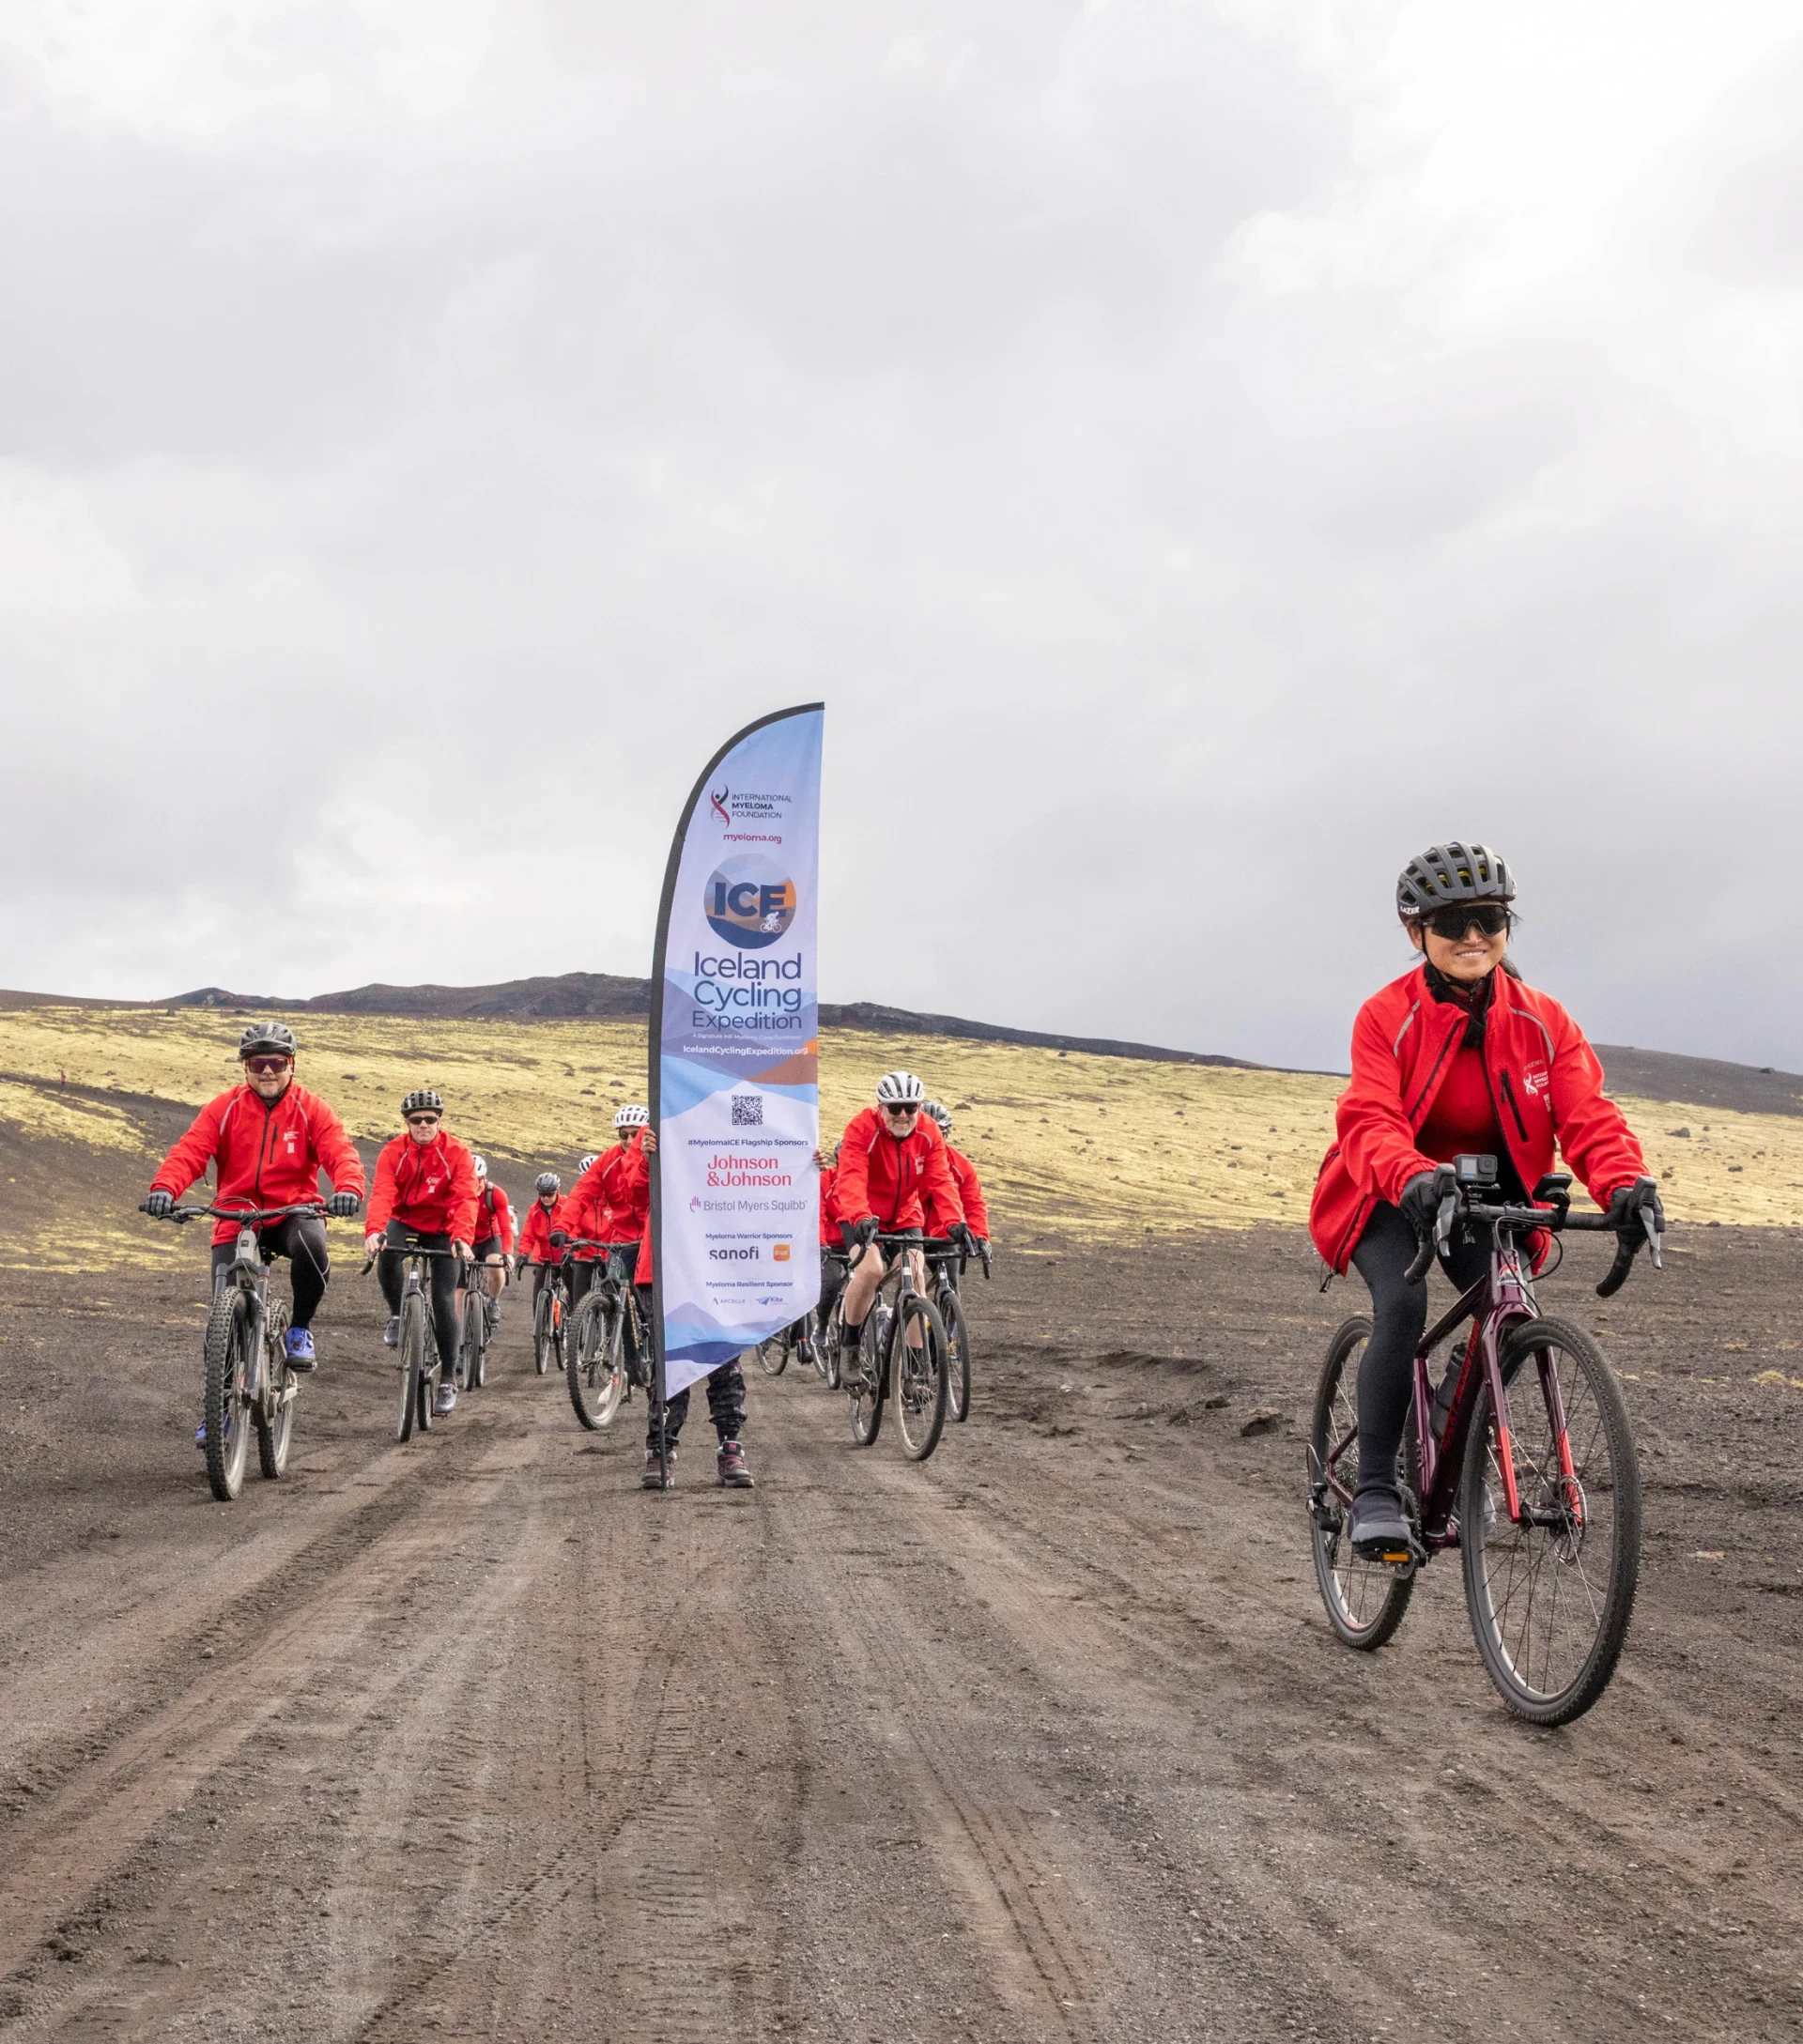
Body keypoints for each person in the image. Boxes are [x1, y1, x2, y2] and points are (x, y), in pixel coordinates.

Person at [1309, 841, 1662, 1558]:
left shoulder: (1543, 1020)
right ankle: (1375, 1488)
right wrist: (1411, 1176)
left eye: (1491, 920)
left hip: (1486, 1195)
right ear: (1417, 932)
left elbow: (1588, 1115)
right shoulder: (1386, 1015)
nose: (1474, 936)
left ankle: (1447, 1437)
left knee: (1508, 1310)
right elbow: (1369, 1117)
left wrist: (1624, 1183)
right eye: (1453, 921)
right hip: (1387, 1188)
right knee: (1402, 1304)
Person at [143, 1022, 364, 1441]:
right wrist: (164, 1189)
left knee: (313, 1247)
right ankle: (219, 1409)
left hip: (292, 1210)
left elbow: (340, 1152)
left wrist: (348, 1189)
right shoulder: (223, 1108)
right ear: (244, 1066)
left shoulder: (312, 1109)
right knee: (221, 1324)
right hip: (235, 1215)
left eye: (276, 1063)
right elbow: (191, 1150)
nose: (267, 1071)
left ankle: (299, 1329)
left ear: (291, 1065)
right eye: (257, 1062)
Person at [628, 1127, 754, 1490]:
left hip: (722, 1262)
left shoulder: (735, 1127)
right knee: (671, 1361)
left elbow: (767, 1183)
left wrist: (805, 1165)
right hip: (664, 1266)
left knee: (724, 1357)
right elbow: (634, 1194)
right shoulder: (654, 1127)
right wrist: (646, 1159)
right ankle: (661, 1450)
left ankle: (730, 1448)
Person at [834, 1070, 974, 1361]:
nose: (903, 1115)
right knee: (871, 1270)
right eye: (895, 1108)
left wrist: (954, 1222)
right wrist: (860, 1216)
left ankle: (915, 1365)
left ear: (919, 1107)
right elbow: (852, 1177)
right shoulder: (861, 1128)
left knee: (916, 1275)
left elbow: (941, 1180)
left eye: (910, 1108)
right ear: (881, 1107)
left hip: (906, 1215)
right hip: (861, 1214)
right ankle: (850, 1344)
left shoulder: (929, 1131)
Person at [365, 1088, 479, 1418]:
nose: (424, 1125)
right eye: (416, 1120)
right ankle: (397, 1315)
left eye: (430, 1119)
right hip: (403, 1219)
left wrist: (462, 1238)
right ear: (407, 1123)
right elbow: (382, 1192)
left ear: (439, 1121)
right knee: (387, 1251)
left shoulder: (457, 1153)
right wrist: (375, 1230)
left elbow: (465, 1199)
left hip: (443, 1228)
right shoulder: (393, 1152)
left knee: (443, 1299)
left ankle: (448, 1380)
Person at [557, 1112, 650, 1312]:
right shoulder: (607, 1161)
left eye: (635, 1134)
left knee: (651, 1295)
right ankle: (619, 1329)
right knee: (612, 1288)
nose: (629, 1140)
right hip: (623, 1239)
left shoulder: (655, 1155)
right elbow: (581, 1193)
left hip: (652, 1238)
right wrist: (561, 1227)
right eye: (623, 1135)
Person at [922, 1101, 992, 1251]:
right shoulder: (900, 1158)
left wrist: (980, 1235)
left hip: (944, 1234)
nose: (932, 1138)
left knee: (952, 1265)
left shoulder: (961, 1165)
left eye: (938, 1133)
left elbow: (974, 1203)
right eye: (926, 1133)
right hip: (904, 1228)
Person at [466, 1156, 515, 1313]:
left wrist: (508, 1253)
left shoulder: (495, 1194)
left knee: (496, 1264)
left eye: (479, 1179)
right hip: (466, 1239)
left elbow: (506, 1228)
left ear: (484, 1177)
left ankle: (493, 1301)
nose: (475, 1184)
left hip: (489, 1237)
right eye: (471, 1180)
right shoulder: (459, 1192)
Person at [516, 1172, 566, 1307]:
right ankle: (540, 1318)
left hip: (565, 1257)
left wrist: (570, 1252)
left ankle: (574, 1317)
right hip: (545, 1259)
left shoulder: (567, 1206)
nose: (546, 1198)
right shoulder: (534, 1210)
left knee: (574, 1295)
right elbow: (528, 1235)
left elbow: (574, 1231)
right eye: (542, 1194)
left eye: (549, 1194)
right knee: (537, 1298)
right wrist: (523, 1254)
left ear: (557, 1191)